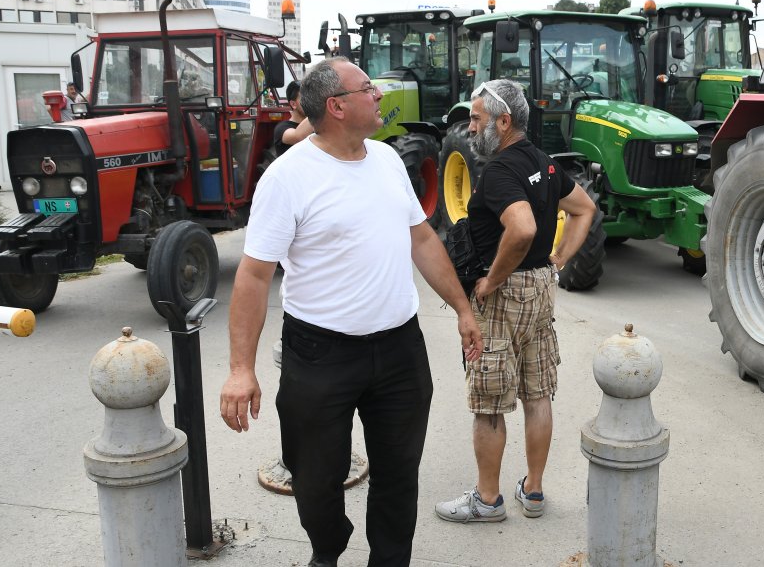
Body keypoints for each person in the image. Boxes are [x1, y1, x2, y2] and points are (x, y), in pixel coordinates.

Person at [219, 57, 483, 567]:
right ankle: (327, 549)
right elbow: (252, 276)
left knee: (399, 474)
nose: (379, 94)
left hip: (400, 349)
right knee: (315, 479)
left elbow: (422, 238)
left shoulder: (386, 160)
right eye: (368, 88)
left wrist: (461, 307)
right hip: (319, 355)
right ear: (337, 107)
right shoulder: (287, 178)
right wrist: (240, 369)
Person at [434, 79, 595, 523]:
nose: (469, 128)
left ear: (503, 122)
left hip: (504, 292)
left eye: (476, 119)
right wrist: (557, 259)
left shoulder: (501, 171)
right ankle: (535, 490)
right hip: (541, 286)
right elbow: (584, 209)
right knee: (537, 392)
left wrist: (491, 280)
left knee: (488, 400)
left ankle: (488, 501)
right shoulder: (544, 164)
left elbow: (521, 229)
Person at [272, 80, 314, 157]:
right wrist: (318, 109)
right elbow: (298, 137)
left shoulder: (317, 126)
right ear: (293, 104)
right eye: (305, 98)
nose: (311, 102)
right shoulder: (281, 128)